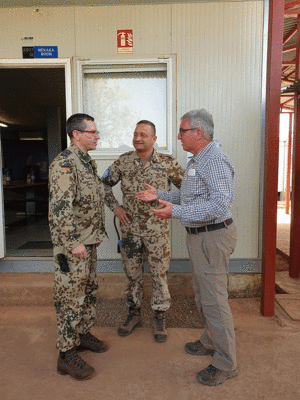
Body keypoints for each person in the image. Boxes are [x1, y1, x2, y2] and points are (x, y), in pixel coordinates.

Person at [136, 109, 238, 386]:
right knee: (202, 293)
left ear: (199, 133)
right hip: (200, 235)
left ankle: (226, 363)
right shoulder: (198, 159)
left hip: (213, 236)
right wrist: (161, 195)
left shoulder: (214, 160)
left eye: (182, 131)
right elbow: (188, 195)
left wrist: (176, 212)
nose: (179, 136)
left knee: (214, 300)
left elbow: (219, 204)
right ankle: (210, 339)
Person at [102, 120, 184, 342]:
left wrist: (172, 208)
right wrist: (116, 207)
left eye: (144, 135)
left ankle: (159, 315)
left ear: (154, 139)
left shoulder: (167, 163)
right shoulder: (124, 162)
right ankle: (133, 313)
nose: (138, 138)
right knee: (132, 275)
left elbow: (187, 190)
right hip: (129, 231)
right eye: (135, 134)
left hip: (157, 232)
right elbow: (103, 184)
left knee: (159, 275)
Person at [49, 113, 109, 381]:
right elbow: (59, 209)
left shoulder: (87, 163)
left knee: (88, 291)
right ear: (76, 134)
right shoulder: (65, 163)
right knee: (70, 299)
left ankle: (82, 335)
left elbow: (91, 201)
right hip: (72, 246)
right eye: (92, 132)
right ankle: (66, 354)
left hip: (88, 242)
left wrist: (95, 234)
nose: (97, 136)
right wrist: (73, 243)